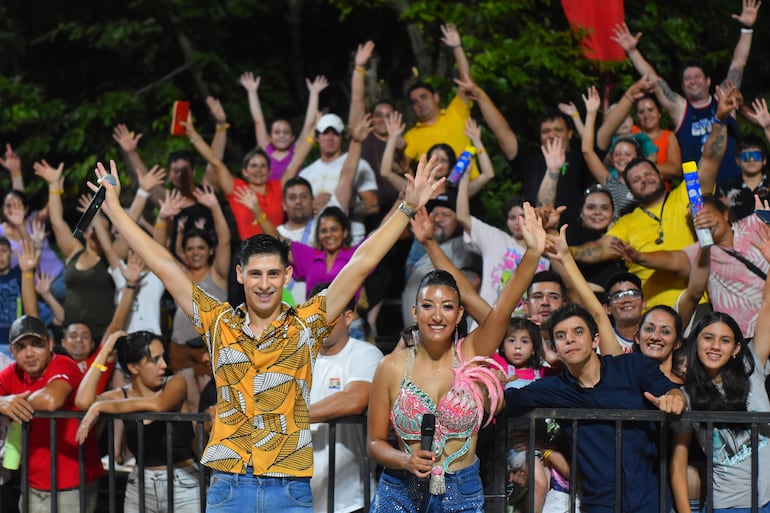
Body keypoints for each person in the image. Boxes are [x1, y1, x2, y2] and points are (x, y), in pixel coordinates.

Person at [91, 152, 443, 512]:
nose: (264, 284)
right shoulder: (218, 322)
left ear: (287, 276)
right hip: (229, 486)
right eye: (255, 274)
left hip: (288, 490)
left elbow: (361, 263)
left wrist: (405, 208)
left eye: (273, 274)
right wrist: (116, 210)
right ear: (240, 274)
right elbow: (164, 265)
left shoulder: (307, 323)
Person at [368, 201, 547, 513]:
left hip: (460, 493)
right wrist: (404, 459)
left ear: (459, 313)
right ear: (415, 311)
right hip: (399, 492)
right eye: (428, 306)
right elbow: (374, 443)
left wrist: (532, 253)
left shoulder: (472, 352)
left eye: (447, 307)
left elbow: (504, 306)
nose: (437, 316)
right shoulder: (390, 366)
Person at [571, 84, 739, 308]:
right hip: (650, 313)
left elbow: (711, 158)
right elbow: (599, 249)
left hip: (700, 302)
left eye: (648, 174)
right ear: (630, 189)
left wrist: (719, 120)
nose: (644, 179)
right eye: (636, 179)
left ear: (660, 175)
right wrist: (566, 250)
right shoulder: (626, 222)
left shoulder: (687, 194)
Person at [611, 0, 760, 185]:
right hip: (696, 189)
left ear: (708, 81)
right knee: (697, 215)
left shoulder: (725, 100)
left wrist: (747, 29)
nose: (693, 81)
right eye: (687, 78)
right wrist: (632, 51)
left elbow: (738, 64)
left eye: (697, 76)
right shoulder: (681, 109)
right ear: (682, 86)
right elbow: (655, 81)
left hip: (734, 183)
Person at [75, 330, 200, 513]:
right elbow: (83, 401)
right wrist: (105, 349)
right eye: (154, 360)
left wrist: (100, 406)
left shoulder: (175, 382)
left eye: (163, 357)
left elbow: (159, 405)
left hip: (183, 484)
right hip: (140, 485)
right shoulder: (122, 394)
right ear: (134, 368)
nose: (164, 365)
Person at [670, 299, 770, 512]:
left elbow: (768, 306)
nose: (715, 346)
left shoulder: (750, 367)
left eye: (725, 340)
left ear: (736, 349)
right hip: (729, 505)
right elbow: (678, 463)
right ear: (696, 343)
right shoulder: (686, 397)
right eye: (708, 338)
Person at [625, 194, 768, 340]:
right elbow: (673, 259)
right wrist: (639, 257)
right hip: (744, 338)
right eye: (698, 220)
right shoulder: (702, 252)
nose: (704, 222)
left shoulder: (753, 225)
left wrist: (767, 220)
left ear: (725, 214)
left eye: (707, 215)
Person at [0, 315, 103, 513]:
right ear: (12, 351)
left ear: (50, 344)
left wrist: (11, 402)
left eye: (36, 344)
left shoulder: (64, 364)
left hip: (72, 485)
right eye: (21, 347)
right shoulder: (12, 373)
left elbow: (51, 400)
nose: (29, 353)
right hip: (31, 485)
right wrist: (2, 402)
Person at [307, 283, 383, 513]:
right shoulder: (297, 356)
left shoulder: (365, 353)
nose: (322, 319)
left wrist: (293, 414)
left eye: (331, 312)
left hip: (349, 501)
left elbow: (356, 399)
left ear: (348, 317)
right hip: (298, 499)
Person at [34, 159, 116, 341]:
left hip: (100, 338)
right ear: (86, 232)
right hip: (69, 336)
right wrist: (54, 185)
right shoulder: (75, 251)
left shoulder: (112, 257)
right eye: (93, 228)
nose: (96, 233)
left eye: (101, 229)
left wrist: (98, 213)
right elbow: (56, 221)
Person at [402, 24, 478, 178]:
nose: (420, 103)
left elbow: (467, 82)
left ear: (435, 97)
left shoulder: (456, 111)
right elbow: (402, 168)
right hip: (436, 194)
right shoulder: (411, 136)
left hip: (471, 187)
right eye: (414, 102)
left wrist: (457, 48)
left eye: (423, 97)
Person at [401, 192, 479, 326]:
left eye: (446, 215)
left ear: (458, 222)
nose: (438, 219)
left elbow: (470, 287)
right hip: (417, 339)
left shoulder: (463, 246)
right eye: (435, 214)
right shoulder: (423, 249)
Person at [300, 113, 379, 243]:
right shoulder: (306, 173)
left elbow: (374, 205)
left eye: (335, 133)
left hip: (353, 236)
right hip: (316, 239)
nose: (330, 137)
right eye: (325, 132)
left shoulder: (359, 164)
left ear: (342, 137)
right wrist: (310, 207)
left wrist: (339, 205)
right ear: (317, 137)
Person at [239, 73, 327, 181]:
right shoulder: (266, 148)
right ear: (270, 137)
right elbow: (258, 121)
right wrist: (252, 92)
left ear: (292, 138)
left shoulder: (296, 150)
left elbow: (308, 124)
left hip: (292, 196)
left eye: (286, 133)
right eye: (277, 132)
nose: (281, 136)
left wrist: (314, 94)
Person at [719, 134, 769, 220]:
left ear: (764, 160)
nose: (751, 160)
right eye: (746, 156)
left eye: (756, 155)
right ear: (737, 161)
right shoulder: (726, 188)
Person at [602, 272, 646, 353]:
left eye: (633, 293)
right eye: (618, 296)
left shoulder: (655, 338)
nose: (626, 300)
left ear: (643, 303)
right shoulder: (601, 342)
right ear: (607, 308)